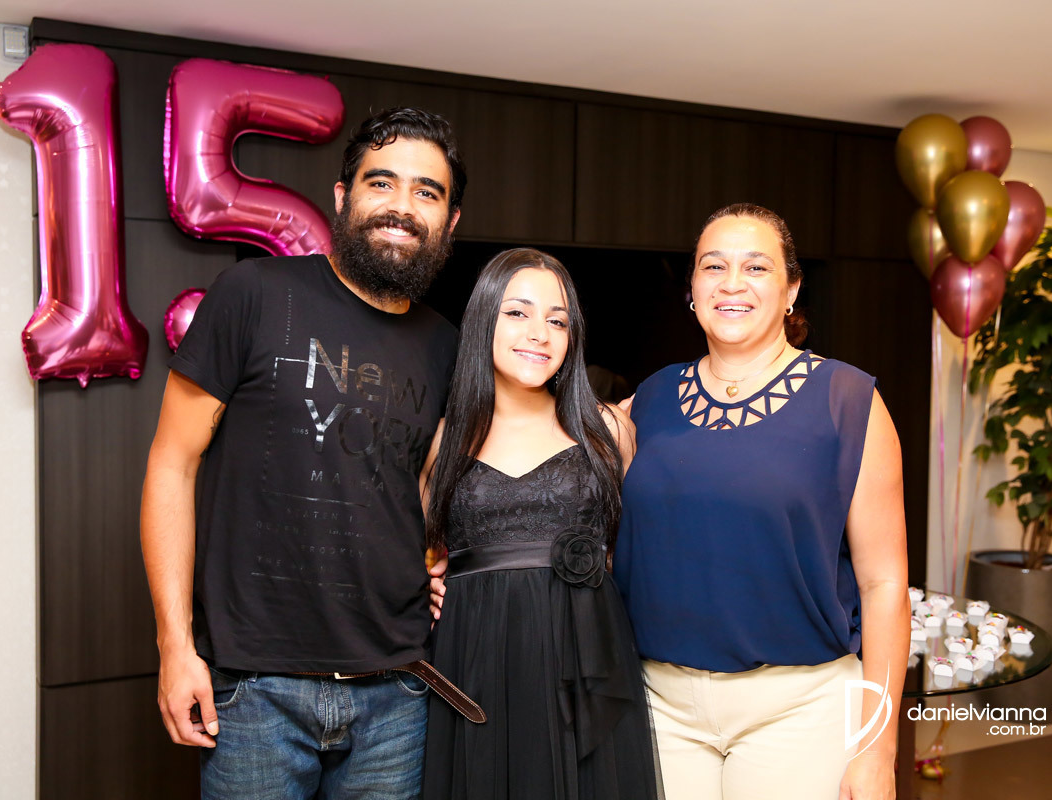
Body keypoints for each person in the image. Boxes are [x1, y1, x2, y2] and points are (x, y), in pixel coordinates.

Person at [140, 107, 469, 799]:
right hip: (255, 690)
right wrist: (175, 645)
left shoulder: (447, 345)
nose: (402, 206)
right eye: (381, 182)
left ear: (450, 222)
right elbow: (172, 464)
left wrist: (437, 561)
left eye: (427, 192)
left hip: (398, 690)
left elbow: (423, 489)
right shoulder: (253, 295)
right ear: (343, 196)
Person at [613, 203, 909, 800]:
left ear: (791, 289)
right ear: (693, 289)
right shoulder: (650, 398)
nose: (732, 283)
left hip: (800, 709)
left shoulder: (848, 401)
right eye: (713, 266)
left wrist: (878, 749)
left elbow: (884, 586)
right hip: (659, 705)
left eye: (756, 267)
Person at [421, 248, 662, 800]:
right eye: (518, 313)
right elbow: (415, 554)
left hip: (583, 663)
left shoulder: (607, 430)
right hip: (475, 659)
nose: (540, 334)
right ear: (484, 319)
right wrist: (427, 582)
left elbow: (637, 552)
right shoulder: (445, 440)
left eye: (558, 321)